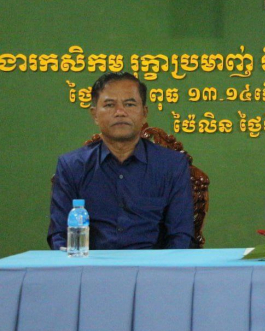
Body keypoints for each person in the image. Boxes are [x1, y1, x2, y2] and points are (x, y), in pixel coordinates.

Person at [48, 72, 194, 250]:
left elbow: (181, 235)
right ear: (94, 114)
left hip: (153, 265)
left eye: (129, 104)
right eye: (110, 105)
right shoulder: (72, 166)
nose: (120, 112)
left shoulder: (172, 165)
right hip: (91, 265)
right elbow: (59, 235)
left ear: (144, 113)